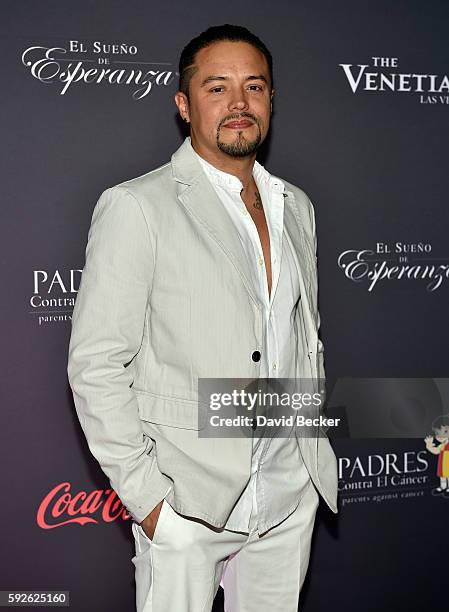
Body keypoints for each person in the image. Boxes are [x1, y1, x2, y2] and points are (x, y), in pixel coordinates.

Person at [67, 23, 338, 612]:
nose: (240, 103)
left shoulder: (297, 207)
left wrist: (307, 471)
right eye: (218, 88)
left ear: (271, 100)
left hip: (287, 494)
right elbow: (96, 365)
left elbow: (298, 342)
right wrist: (150, 502)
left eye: (255, 87)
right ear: (184, 106)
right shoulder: (138, 206)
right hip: (188, 501)